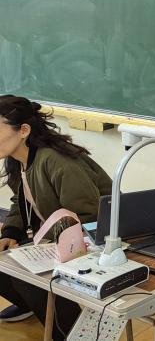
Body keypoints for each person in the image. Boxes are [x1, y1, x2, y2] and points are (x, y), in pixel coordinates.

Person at [0, 95, 111, 339]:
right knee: (5, 263)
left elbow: (89, 215)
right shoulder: (17, 159)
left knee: (29, 278)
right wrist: (11, 233)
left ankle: (71, 334)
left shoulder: (56, 160)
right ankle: (33, 305)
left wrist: (43, 246)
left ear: (24, 131)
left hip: (96, 238)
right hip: (58, 238)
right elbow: (20, 201)